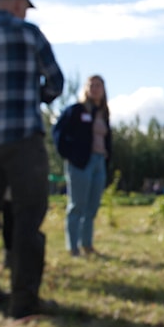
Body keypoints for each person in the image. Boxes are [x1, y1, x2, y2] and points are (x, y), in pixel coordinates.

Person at [0, 0, 64, 318]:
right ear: (18, 3)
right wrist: (34, 97)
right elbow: (56, 82)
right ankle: (24, 300)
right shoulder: (29, 34)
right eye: (25, 5)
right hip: (22, 137)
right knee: (27, 218)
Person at [52, 75, 112, 256]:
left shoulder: (103, 113)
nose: (95, 88)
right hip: (80, 163)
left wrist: (108, 156)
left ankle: (87, 244)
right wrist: (69, 155)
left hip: (99, 162)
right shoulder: (76, 110)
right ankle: (73, 247)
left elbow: (107, 138)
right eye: (91, 85)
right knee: (77, 205)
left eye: (99, 85)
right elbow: (58, 132)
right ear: (85, 89)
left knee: (92, 206)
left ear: (103, 89)